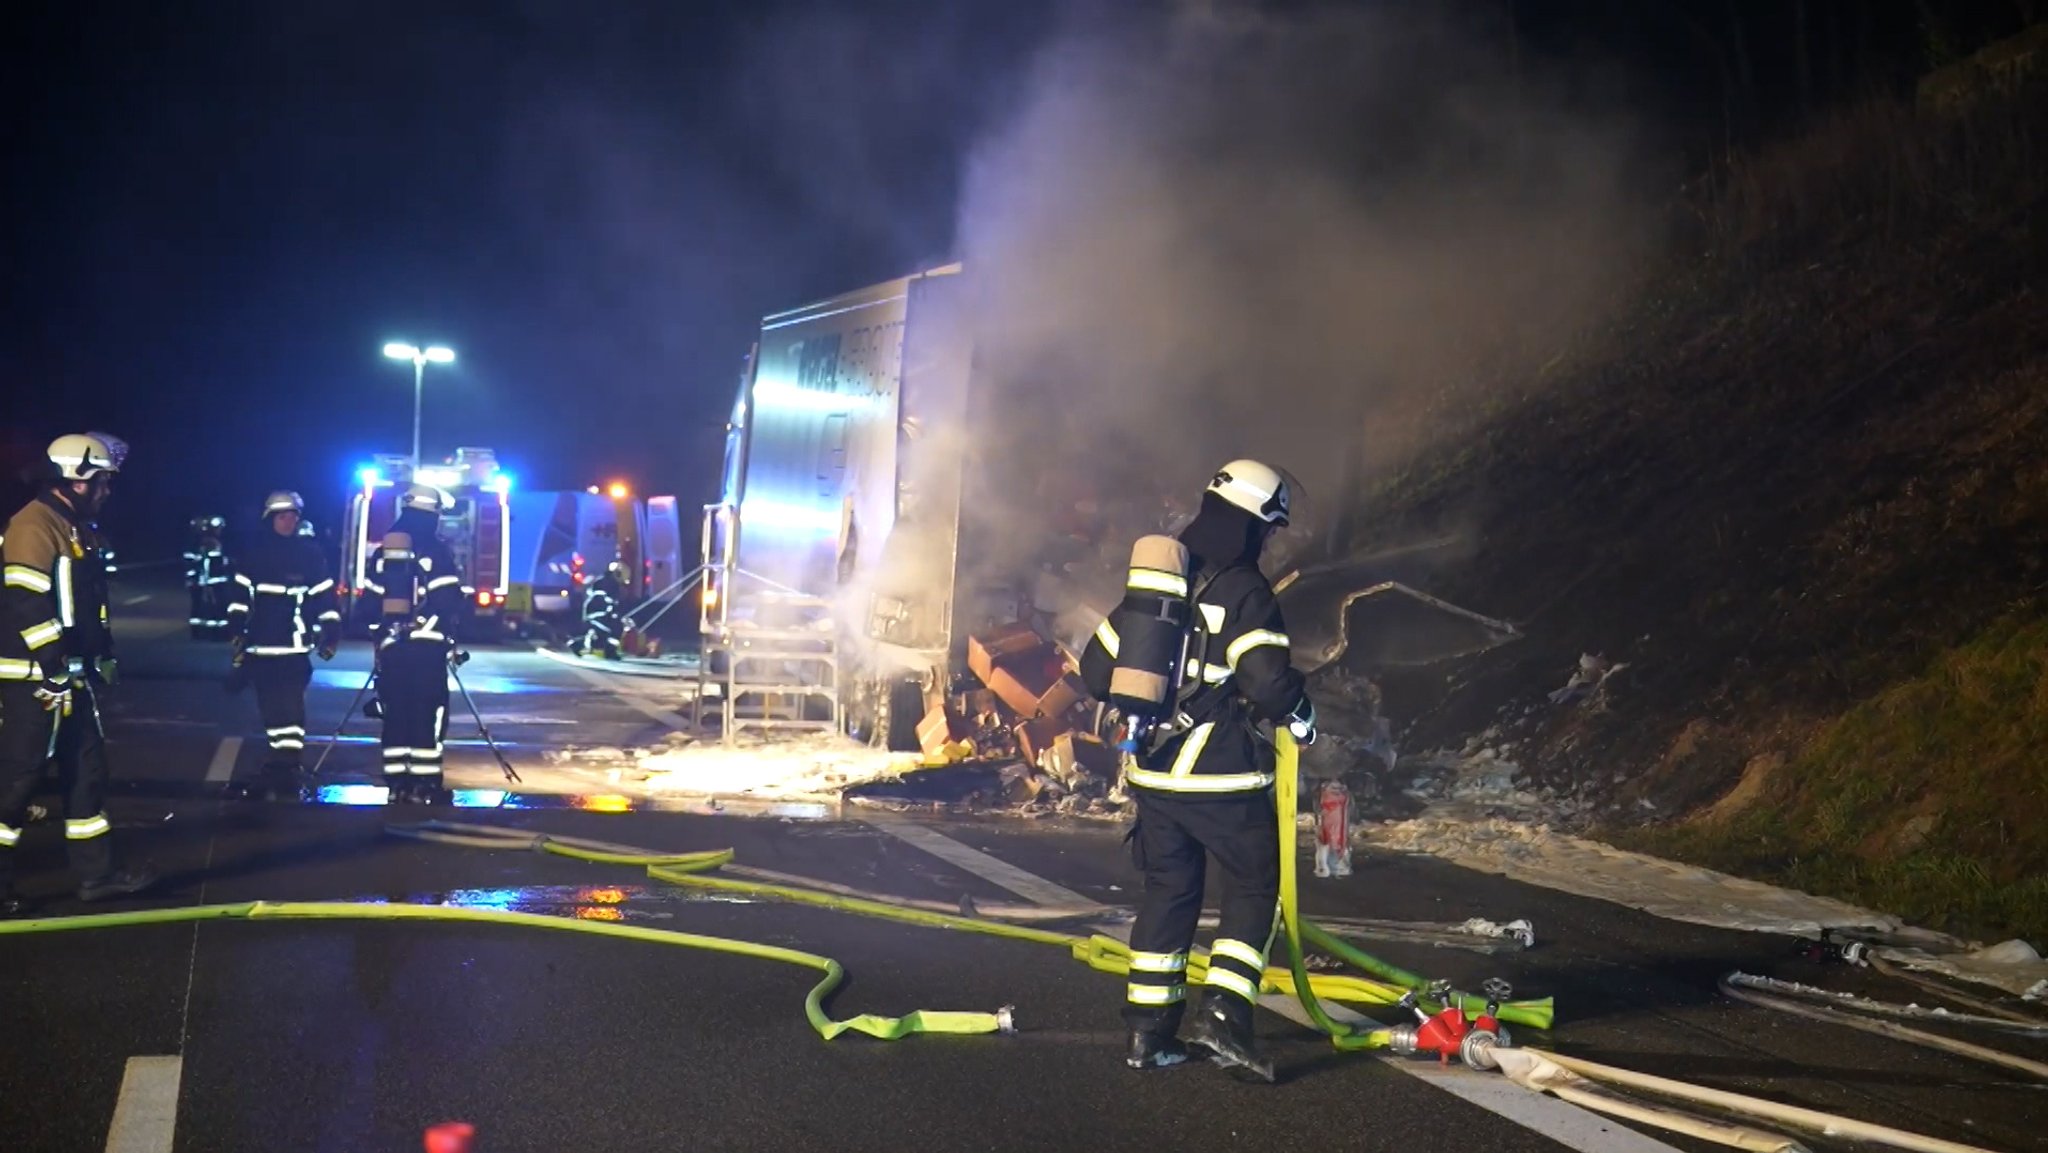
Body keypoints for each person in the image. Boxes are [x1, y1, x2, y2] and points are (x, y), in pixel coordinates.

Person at [1080, 459, 1317, 1081]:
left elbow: (1095, 671)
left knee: (1169, 894)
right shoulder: (1244, 591)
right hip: (1221, 780)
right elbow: (1267, 683)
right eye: (1269, 530)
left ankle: (1149, 1038)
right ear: (1253, 525)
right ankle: (1226, 1014)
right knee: (1253, 887)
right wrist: (1302, 714)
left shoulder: (1155, 584)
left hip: (1154, 777)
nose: (1269, 542)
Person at [0, 434, 158, 914]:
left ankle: (99, 875)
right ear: (78, 477)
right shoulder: (35, 523)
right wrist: (53, 667)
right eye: (104, 481)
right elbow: (26, 599)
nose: (108, 490)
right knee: (17, 779)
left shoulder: (73, 525)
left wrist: (97, 656)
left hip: (67, 677)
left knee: (86, 773)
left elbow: (84, 606)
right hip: (35, 679)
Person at [225, 491, 339, 797]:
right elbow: (239, 597)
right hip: (260, 647)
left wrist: (331, 631)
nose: (289, 521)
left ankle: (288, 762)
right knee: (271, 709)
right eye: (282, 516)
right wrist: (236, 627)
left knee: (290, 706)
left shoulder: (310, 554)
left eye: (293, 516)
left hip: (294, 647)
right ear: (270, 519)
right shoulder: (253, 555)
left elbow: (325, 597)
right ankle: (281, 760)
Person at [367, 483, 464, 802]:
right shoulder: (437, 551)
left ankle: (397, 782)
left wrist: (381, 639)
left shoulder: (384, 551)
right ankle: (425, 784)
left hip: (393, 650)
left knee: (396, 714)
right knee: (428, 713)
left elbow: (370, 602)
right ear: (432, 515)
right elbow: (448, 601)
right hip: (427, 651)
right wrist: (450, 633)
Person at [185, 515, 232, 637]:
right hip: (212, 580)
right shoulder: (211, 543)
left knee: (203, 607)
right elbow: (214, 563)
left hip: (203, 580)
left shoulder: (198, 542)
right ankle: (215, 632)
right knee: (214, 607)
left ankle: (201, 632)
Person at [579, 559, 626, 659]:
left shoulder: (605, 581)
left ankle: (591, 646)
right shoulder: (607, 583)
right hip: (597, 614)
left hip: (597, 614)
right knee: (616, 628)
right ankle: (609, 651)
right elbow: (606, 600)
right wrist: (613, 610)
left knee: (605, 631)